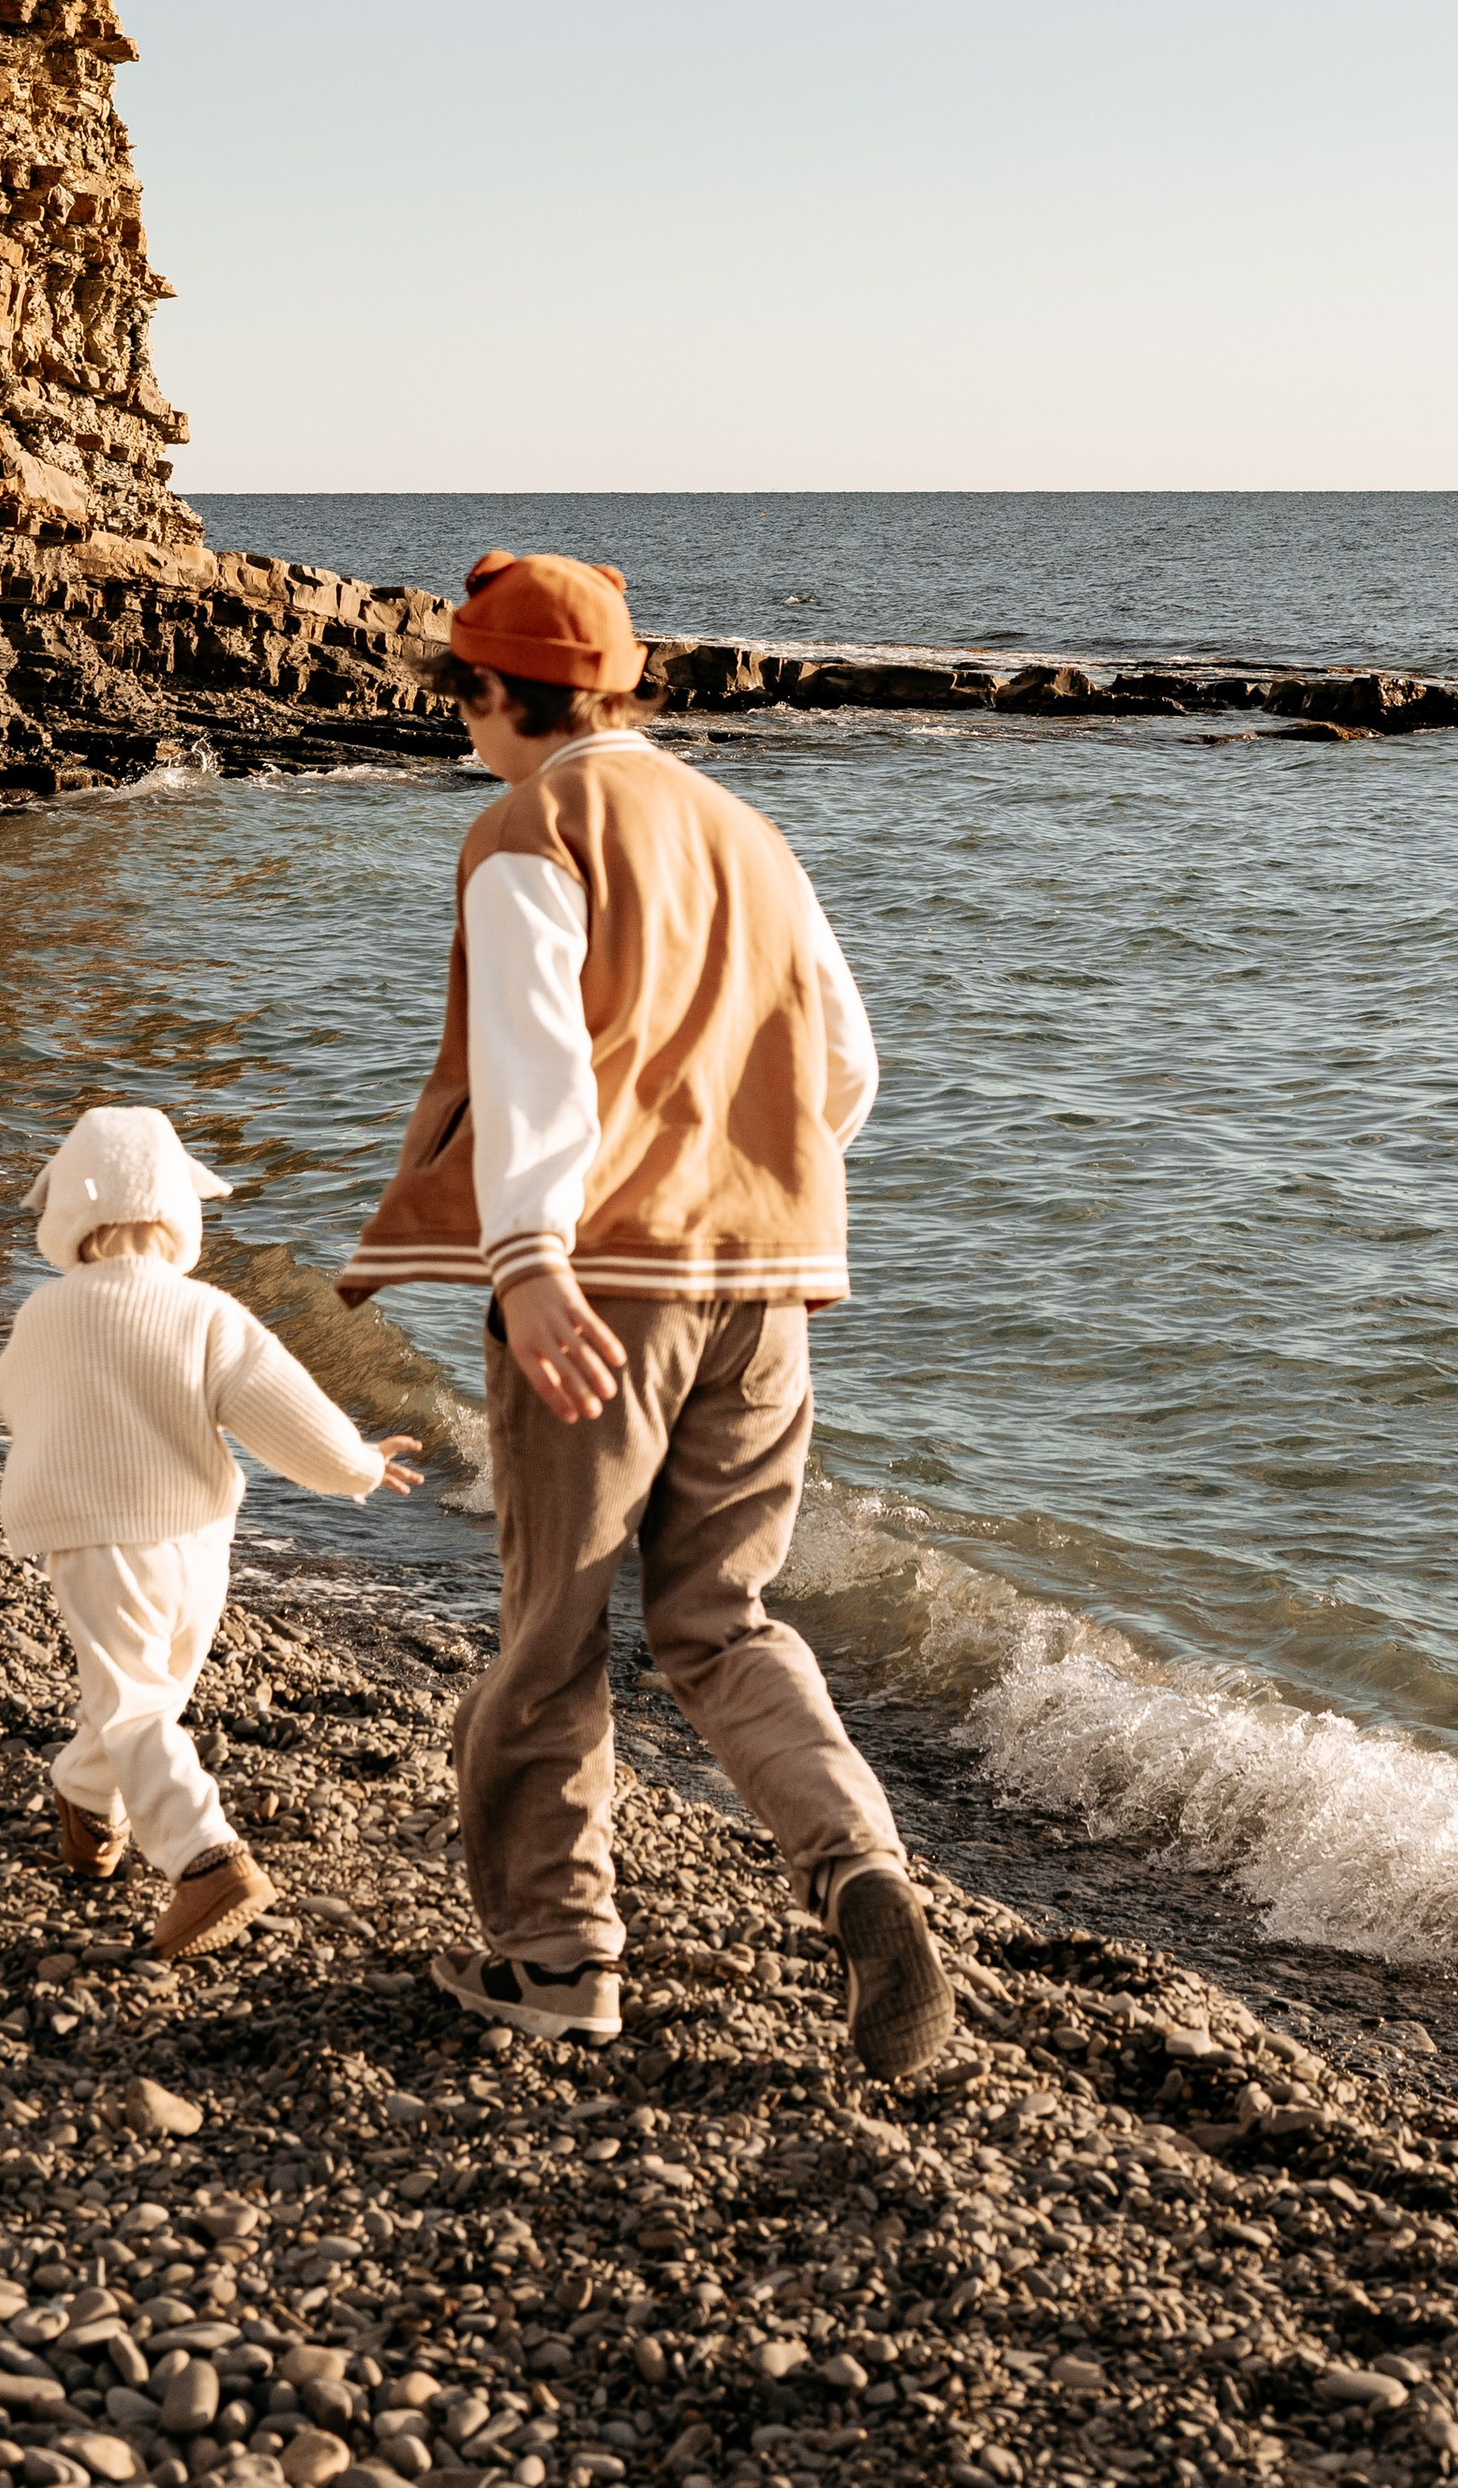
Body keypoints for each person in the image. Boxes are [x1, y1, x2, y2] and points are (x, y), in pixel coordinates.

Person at [335, 548, 954, 2079]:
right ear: (616, 684)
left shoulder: (530, 829)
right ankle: (859, 1867)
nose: (468, 728)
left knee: (550, 1633)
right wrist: (738, 1175)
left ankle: (556, 1965)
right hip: (766, 1281)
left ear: (490, 691)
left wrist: (532, 1257)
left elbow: (540, 1063)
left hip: (602, 1285)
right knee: (723, 1617)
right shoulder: (753, 834)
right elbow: (849, 1070)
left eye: (466, 700)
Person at [0, 1102, 423, 1961]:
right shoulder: (208, 1313)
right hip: (195, 1544)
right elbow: (285, 1411)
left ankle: (205, 1859)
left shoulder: (45, 1314)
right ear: (180, 1212)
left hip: (98, 1534)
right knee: (148, 1693)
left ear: (67, 1215)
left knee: (134, 1697)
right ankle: (85, 1802)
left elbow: (14, 1398)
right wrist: (359, 1466)